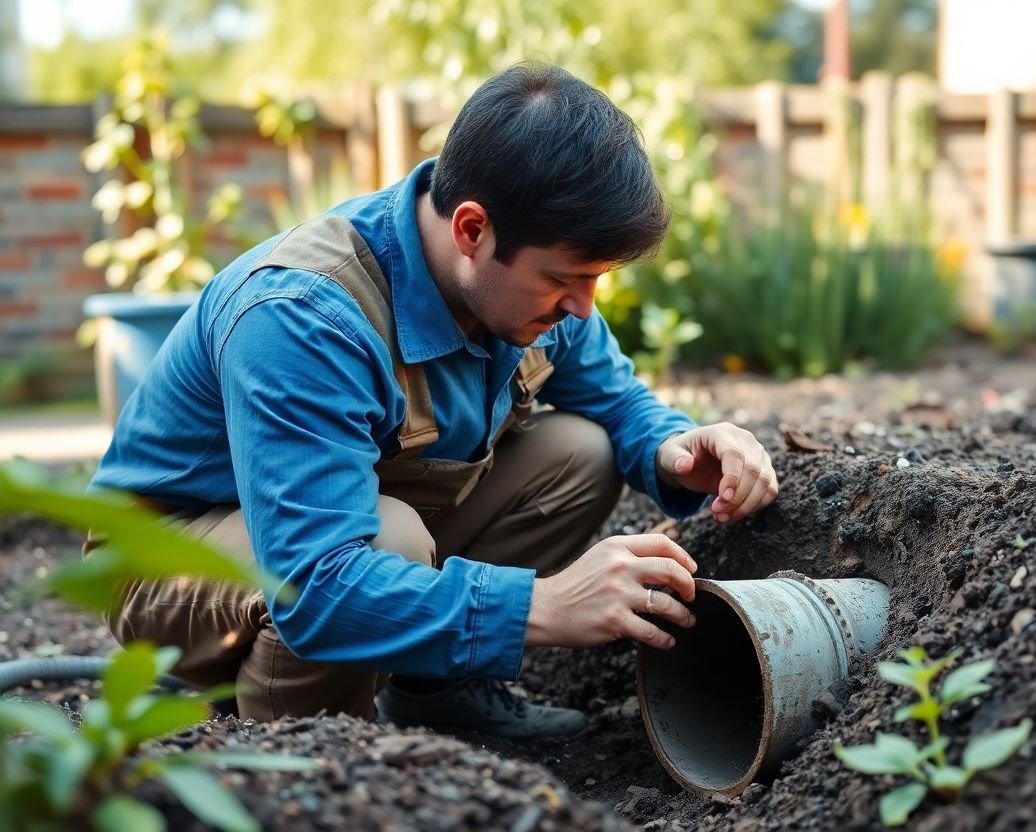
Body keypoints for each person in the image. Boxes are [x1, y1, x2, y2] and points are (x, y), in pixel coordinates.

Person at [88, 62, 778, 739]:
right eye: (567, 279)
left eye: (596, 278)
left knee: (581, 453)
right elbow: (318, 584)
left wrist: (672, 446)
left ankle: (432, 694)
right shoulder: (304, 316)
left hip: (325, 521)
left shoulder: (518, 285)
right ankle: (305, 748)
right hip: (167, 560)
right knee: (386, 539)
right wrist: (542, 606)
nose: (581, 306)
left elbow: (617, 401)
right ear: (473, 230)